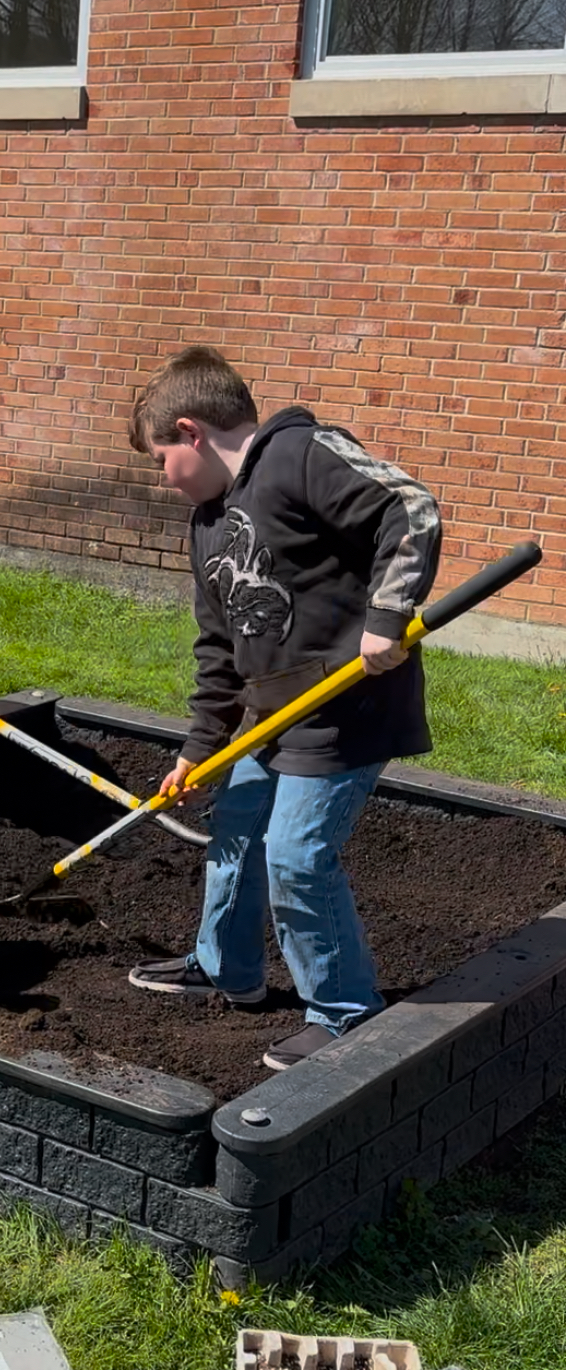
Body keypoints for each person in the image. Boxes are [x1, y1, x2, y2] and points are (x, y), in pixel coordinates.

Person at [125, 346, 442, 1070]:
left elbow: (408, 507)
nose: (160, 478)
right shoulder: (207, 525)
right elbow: (217, 649)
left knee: (297, 858)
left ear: (190, 430)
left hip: (343, 708)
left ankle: (343, 1013)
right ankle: (224, 967)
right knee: (234, 832)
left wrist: (387, 616)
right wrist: (201, 745)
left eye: (158, 459)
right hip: (267, 715)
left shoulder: (299, 454)